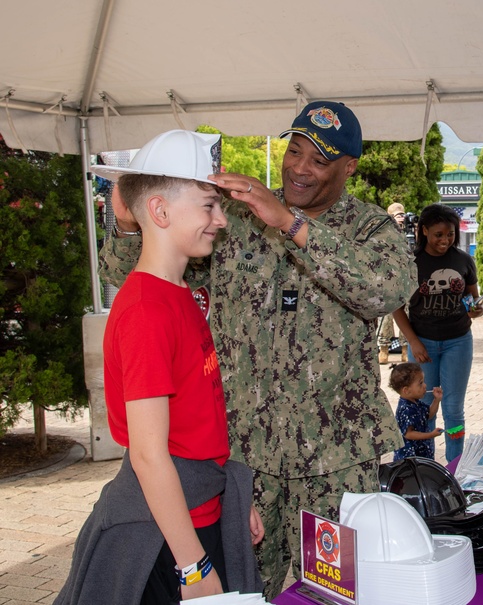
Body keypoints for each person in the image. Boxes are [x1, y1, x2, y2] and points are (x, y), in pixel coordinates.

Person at [100, 102, 416, 599]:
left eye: (318, 159)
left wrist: (290, 222)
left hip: (334, 459)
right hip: (245, 459)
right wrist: (125, 222)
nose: (299, 167)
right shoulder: (236, 222)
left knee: (337, 593)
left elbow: (387, 290)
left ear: (349, 166)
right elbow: (134, 273)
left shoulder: (370, 229)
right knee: (244, 590)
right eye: (295, 151)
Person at [59, 131, 263, 604]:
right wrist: (193, 566)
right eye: (209, 205)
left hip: (197, 511)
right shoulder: (148, 310)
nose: (221, 221)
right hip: (168, 537)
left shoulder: (179, 295)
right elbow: (150, 454)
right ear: (160, 211)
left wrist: (226, 499)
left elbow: (193, 426)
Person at [393, 203, 483, 461]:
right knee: (422, 408)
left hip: (458, 342)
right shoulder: (411, 262)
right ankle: (423, 466)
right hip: (423, 344)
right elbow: (396, 307)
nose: (445, 240)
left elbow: (472, 299)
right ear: (424, 231)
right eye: (438, 234)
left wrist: (476, 310)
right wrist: (414, 342)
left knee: (454, 409)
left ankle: (455, 465)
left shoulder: (464, 261)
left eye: (451, 234)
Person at [389, 362, 444, 460]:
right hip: (410, 460)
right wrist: (430, 435)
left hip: (421, 456)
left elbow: (429, 414)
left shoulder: (416, 402)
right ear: (406, 390)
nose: (425, 385)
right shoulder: (406, 409)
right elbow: (409, 434)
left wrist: (437, 400)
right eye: (420, 383)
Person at [378, 202, 409, 364]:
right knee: (387, 316)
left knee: (408, 315)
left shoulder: (410, 232)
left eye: (401, 214)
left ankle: (405, 349)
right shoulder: (383, 232)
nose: (400, 217)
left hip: (407, 281)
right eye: (396, 215)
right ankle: (384, 348)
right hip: (389, 280)